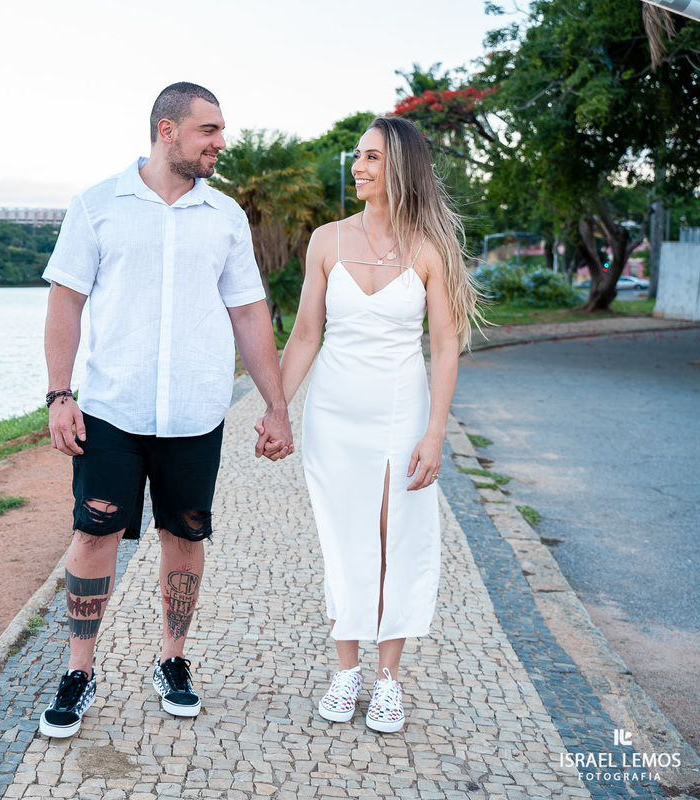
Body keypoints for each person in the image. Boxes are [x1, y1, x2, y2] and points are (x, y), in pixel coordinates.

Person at [38, 82, 294, 739]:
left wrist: (276, 406)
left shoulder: (225, 217)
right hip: (111, 412)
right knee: (94, 535)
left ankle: (172, 660)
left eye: (221, 129)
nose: (221, 141)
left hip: (194, 415)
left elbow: (248, 312)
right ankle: (79, 671)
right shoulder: (98, 206)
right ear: (167, 129)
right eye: (209, 129)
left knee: (185, 537)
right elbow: (66, 301)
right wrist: (59, 394)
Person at [275, 116, 482, 733]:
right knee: (344, 539)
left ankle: (388, 679)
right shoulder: (326, 241)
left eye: (370, 158)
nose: (358, 168)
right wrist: (277, 410)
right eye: (358, 157)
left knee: (398, 539)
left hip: (402, 412)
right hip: (333, 415)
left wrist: (435, 432)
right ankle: (347, 671)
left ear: (401, 168)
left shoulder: (428, 248)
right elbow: (306, 333)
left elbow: (444, 345)